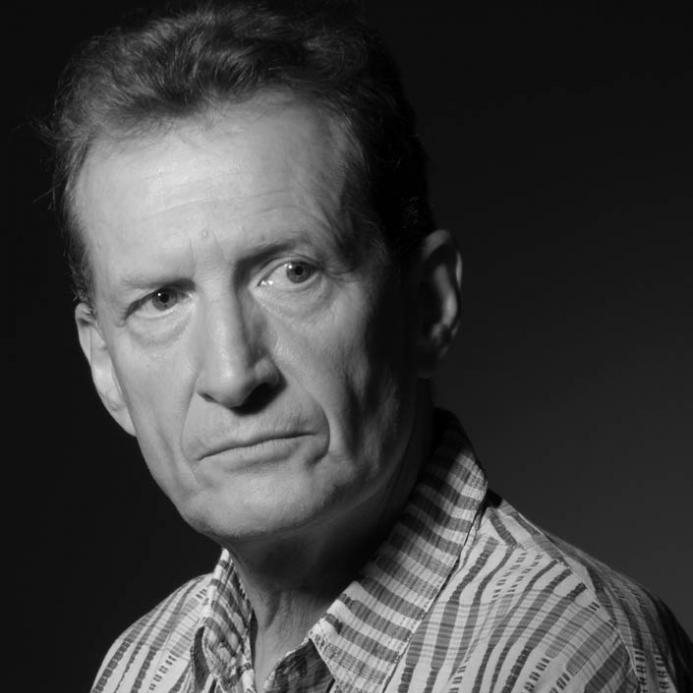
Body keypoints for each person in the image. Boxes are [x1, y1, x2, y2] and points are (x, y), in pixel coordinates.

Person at [49, 1, 691, 691]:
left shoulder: (558, 657)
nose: (232, 375)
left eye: (292, 272)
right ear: (105, 366)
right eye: (162, 299)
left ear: (428, 305)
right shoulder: (143, 666)